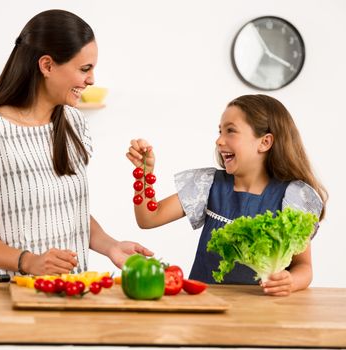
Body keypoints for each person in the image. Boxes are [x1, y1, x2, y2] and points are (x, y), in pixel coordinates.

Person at [0, 9, 153, 277]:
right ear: (47, 66)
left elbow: (67, 211)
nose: (91, 79)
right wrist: (28, 261)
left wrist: (111, 246)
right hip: (5, 298)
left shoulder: (74, 124)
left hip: (67, 292)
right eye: (84, 69)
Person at [126, 94, 327, 296]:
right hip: (207, 308)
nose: (219, 140)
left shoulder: (291, 197)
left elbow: (304, 267)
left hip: (265, 312)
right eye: (220, 131)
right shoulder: (209, 185)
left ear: (265, 142)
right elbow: (148, 218)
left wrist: (291, 281)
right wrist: (144, 173)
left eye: (230, 131)